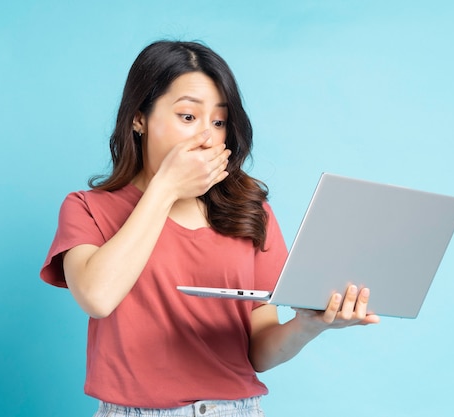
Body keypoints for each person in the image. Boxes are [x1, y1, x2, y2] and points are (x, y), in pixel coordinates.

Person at [40, 40, 380, 417]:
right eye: (188, 116)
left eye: (218, 122)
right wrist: (166, 188)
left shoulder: (251, 213)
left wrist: (308, 325)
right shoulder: (87, 208)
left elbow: (258, 351)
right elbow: (97, 297)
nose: (207, 136)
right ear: (139, 118)